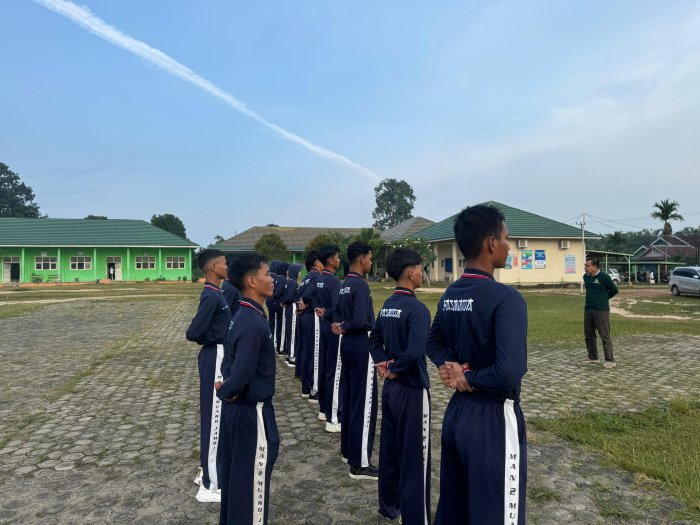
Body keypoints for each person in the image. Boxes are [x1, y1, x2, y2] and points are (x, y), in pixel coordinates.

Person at [426, 204, 528, 525]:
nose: (509, 246)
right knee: (496, 513)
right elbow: (510, 371)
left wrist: (451, 368)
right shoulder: (507, 299)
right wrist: (467, 377)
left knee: (457, 509)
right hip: (493, 418)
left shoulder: (451, 294)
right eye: (506, 238)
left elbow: (433, 342)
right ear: (491, 243)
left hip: (457, 416)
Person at [370, 248, 432, 524]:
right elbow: (417, 350)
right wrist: (394, 368)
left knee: (390, 450)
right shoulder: (417, 310)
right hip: (412, 390)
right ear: (410, 272)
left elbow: (374, 340)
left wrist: (384, 363)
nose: (422, 273)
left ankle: (388, 507)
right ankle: (416, 515)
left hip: (391, 390)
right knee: (415, 456)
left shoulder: (388, 304)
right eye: (420, 268)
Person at [216, 254, 278, 525]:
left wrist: (226, 387)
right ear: (252, 281)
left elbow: (229, 362)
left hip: (238, 411)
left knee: (237, 484)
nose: (272, 279)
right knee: (252, 488)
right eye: (267, 274)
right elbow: (241, 371)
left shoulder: (242, 314)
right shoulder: (252, 321)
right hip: (252, 413)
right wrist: (227, 390)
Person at [185, 249, 231, 503]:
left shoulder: (217, 292)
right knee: (214, 418)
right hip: (215, 357)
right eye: (224, 263)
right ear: (214, 267)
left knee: (217, 416)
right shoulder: (212, 296)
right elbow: (194, 332)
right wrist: (210, 340)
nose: (227, 266)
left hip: (219, 355)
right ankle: (210, 486)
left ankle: (207, 470)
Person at [333, 241, 378, 479]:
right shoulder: (360, 284)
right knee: (364, 403)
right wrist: (347, 326)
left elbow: (339, 314)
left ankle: (348, 451)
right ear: (361, 259)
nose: (371, 262)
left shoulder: (345, 284)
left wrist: (341, 326)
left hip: (347, 344)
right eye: (370, 258)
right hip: (361, 343)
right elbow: (360, 320)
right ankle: (360, 464)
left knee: (350, 398)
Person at [315, 245, 343, 432]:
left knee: (325, 367)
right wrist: (328, 313)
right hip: (333, 327)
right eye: (338, 257)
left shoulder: (320, 279)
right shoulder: (333, 281)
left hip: (324, 326)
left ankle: (323, 410)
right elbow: (336, 308)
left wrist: (322, 312)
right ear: (331, 260)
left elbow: (319, 305)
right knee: (334, 370)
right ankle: (333, 419)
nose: (339, 260)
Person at [297, 251, 324, 402]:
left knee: (307, 351)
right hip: (312, 317)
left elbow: (299, 293)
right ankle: (314, 390)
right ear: (316, 262)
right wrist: (307, 302)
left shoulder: (307, 277)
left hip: (304, 317)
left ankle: (306, 388)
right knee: (314, 353)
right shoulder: (316, 277)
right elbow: (307, 294)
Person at [583, 257, 618, 368]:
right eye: (585, 265)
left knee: (604, 335)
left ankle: (610, 360)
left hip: (601, 310)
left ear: (595, 266)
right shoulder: (586, 277)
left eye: (588, 265)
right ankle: (593, 357)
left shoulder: (604, 277)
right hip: (588, 309)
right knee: (589, 335)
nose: (585, 267)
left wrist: (604, 298)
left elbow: (614, 290)